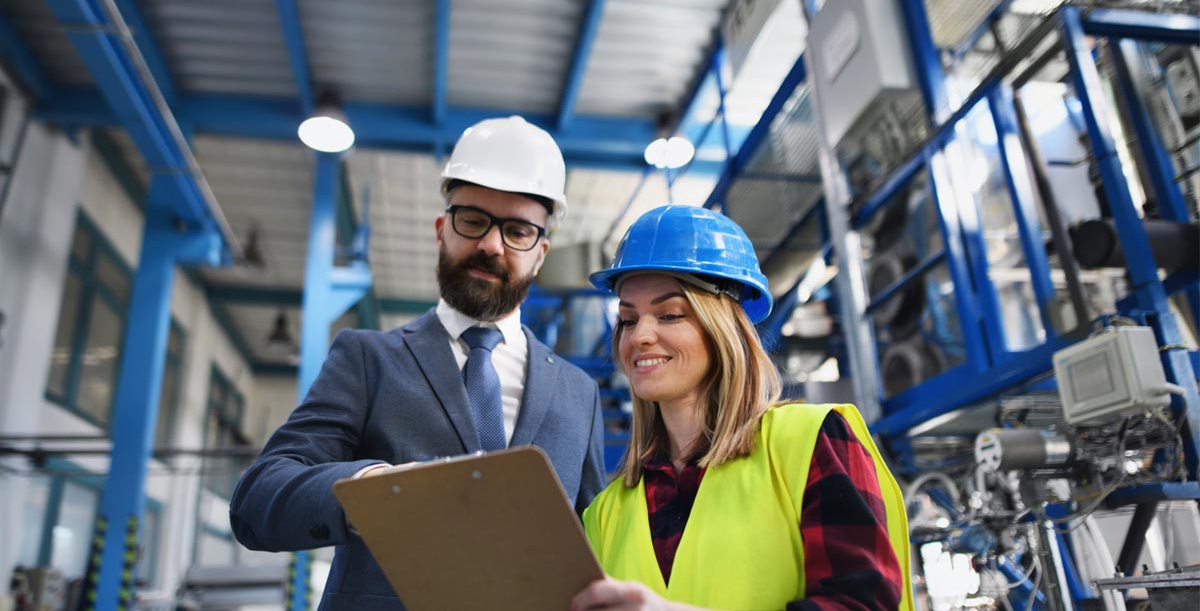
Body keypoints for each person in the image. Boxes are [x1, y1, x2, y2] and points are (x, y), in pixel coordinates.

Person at [229, 116, 606, 610]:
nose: (491, 244)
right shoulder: (368, 359)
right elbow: (259, 499)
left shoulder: (580, 392)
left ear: (540, 254)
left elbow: (596, 544)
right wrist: (375, 491)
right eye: (472, 220)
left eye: (517, 231)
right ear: (440, 229)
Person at [571, 205, 913, 611]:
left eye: (670, 314)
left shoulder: (811, 444)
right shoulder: (603, 515)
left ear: (724, 329)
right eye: (628, 320)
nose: (641, 335)